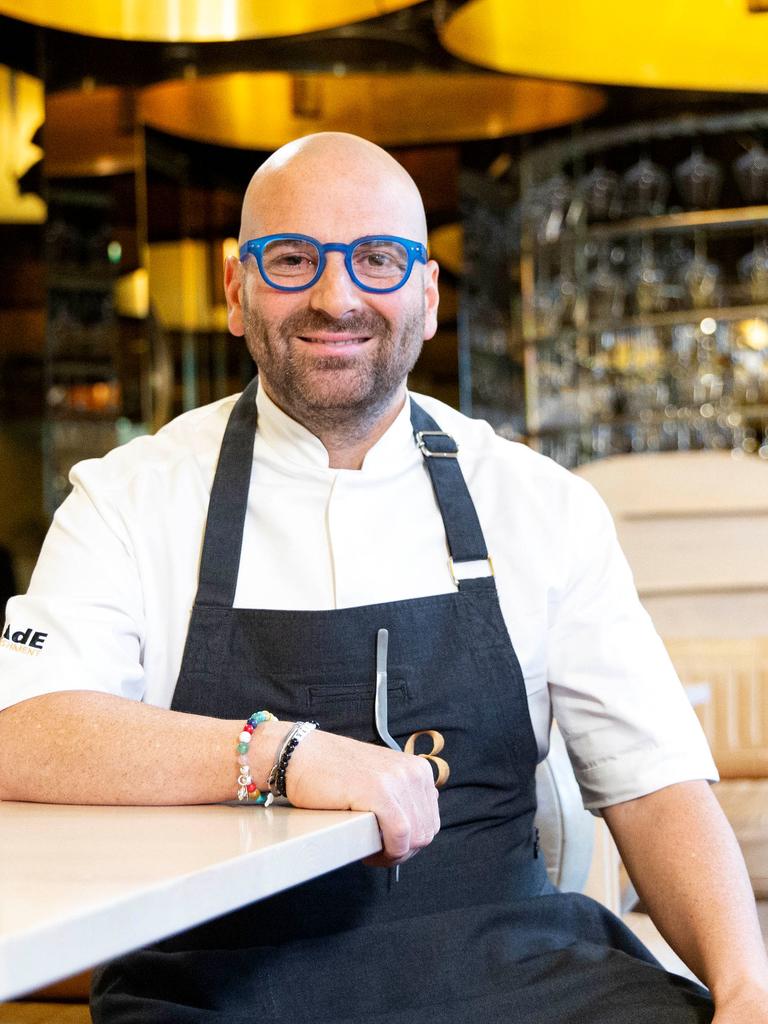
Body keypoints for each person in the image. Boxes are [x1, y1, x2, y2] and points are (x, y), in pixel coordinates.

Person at [0, 132, 766, 1024]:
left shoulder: (537, 503)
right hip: (222, 988)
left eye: (378, 258)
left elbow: (653, 782)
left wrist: (747, 988)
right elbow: (23, 731)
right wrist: (280, 754)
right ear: (236, 291)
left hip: (517, 976)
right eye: (291, 260)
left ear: (429, 295)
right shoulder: (127, 498)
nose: (337, 297)